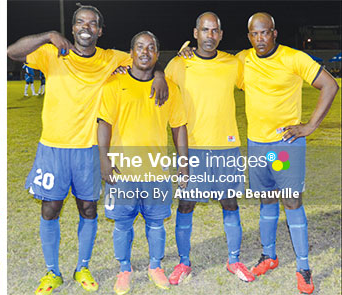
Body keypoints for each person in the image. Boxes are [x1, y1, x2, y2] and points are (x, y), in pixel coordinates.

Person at [7, 4, 169, 293]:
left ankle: (83, 267)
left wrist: (159, 75)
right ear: (73, 29)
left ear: (100, 31)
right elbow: (13, 52)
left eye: (92, 23)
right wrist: (49, 35)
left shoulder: (110, 58)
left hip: (90, 150)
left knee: (88, 208)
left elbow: (145, 59)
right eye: (81, 22)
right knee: (50, 209)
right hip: (53, 147)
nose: (86, 27)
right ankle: (52, 272)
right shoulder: (53, 53)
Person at [237, 12, 337, 294]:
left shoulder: (294, 58)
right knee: (267, 200)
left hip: (285, 147)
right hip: (257, 145)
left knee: (291, 202)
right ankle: (269, 256)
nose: (260, 39)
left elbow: (330, 85)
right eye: (255, 34)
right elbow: (211, 66)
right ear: (249, 36)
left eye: (265, 32)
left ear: (274, 33)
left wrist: (310, 126)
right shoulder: (243, 60)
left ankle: (303, 267)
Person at [164, 12, 255, 284]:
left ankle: (234, 260)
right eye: (205, 30)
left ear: (221, 35)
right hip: (192, 149)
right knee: (186, 204)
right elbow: (157, 86)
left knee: (230, 203)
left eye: (215, 30)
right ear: (195, 33)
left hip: (227, 147)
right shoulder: (178, 64)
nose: (210, 35)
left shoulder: (232, 64)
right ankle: (183, 262)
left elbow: (256, 83)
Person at [98, 31, 187, 294]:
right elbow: (104, 124)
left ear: (157, 54)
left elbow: (179, 127)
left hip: (156, 171)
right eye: (139, 47)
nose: (145, 52)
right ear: (131, 53)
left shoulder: (170, 88)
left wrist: (184, 163)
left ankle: (155, 266)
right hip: (122, 171)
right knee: (122, 223)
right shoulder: (114, 85)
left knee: (156, 222)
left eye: (151, 48)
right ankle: (124, 269)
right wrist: (104, 159)